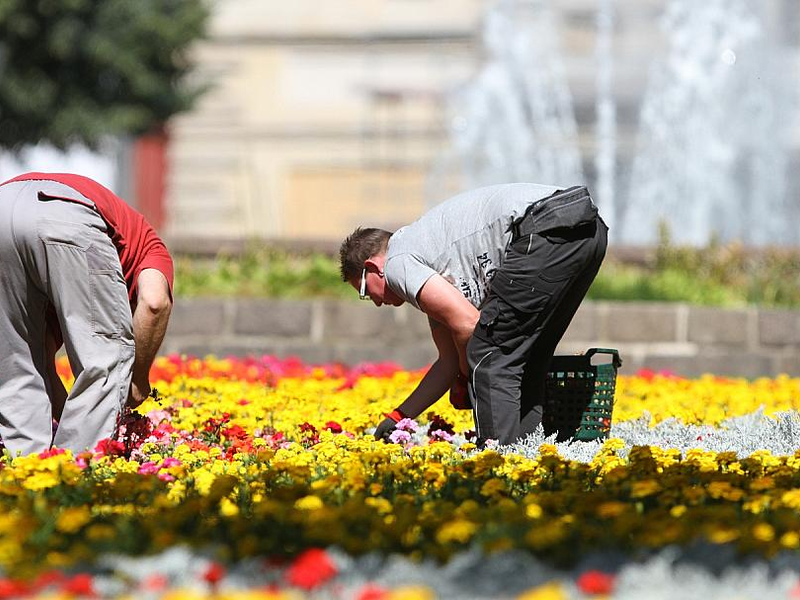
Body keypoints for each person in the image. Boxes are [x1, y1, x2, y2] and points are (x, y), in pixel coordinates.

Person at [339, 183, 607, 446]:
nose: (374, 301)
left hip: (546, 226)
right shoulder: (428, 264)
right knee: (527, 355)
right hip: (585, 228)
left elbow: (468, 325)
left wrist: (469, 378)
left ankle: (497, 466)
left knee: (490, 353)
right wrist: (399, 416)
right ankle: (528, 458)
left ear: (373, 267)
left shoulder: (399, 262)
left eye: (364, 290)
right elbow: (449, 362)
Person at [0, 172, 174, 456]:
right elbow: (155, 303)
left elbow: (41, 361)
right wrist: (137, 379)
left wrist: (67, 419)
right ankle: (77, 482)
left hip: (4, 201)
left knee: (16, 363)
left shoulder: (55, 289)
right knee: (104, 363)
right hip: (67, 215)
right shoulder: (151, 247)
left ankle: (26, 481)